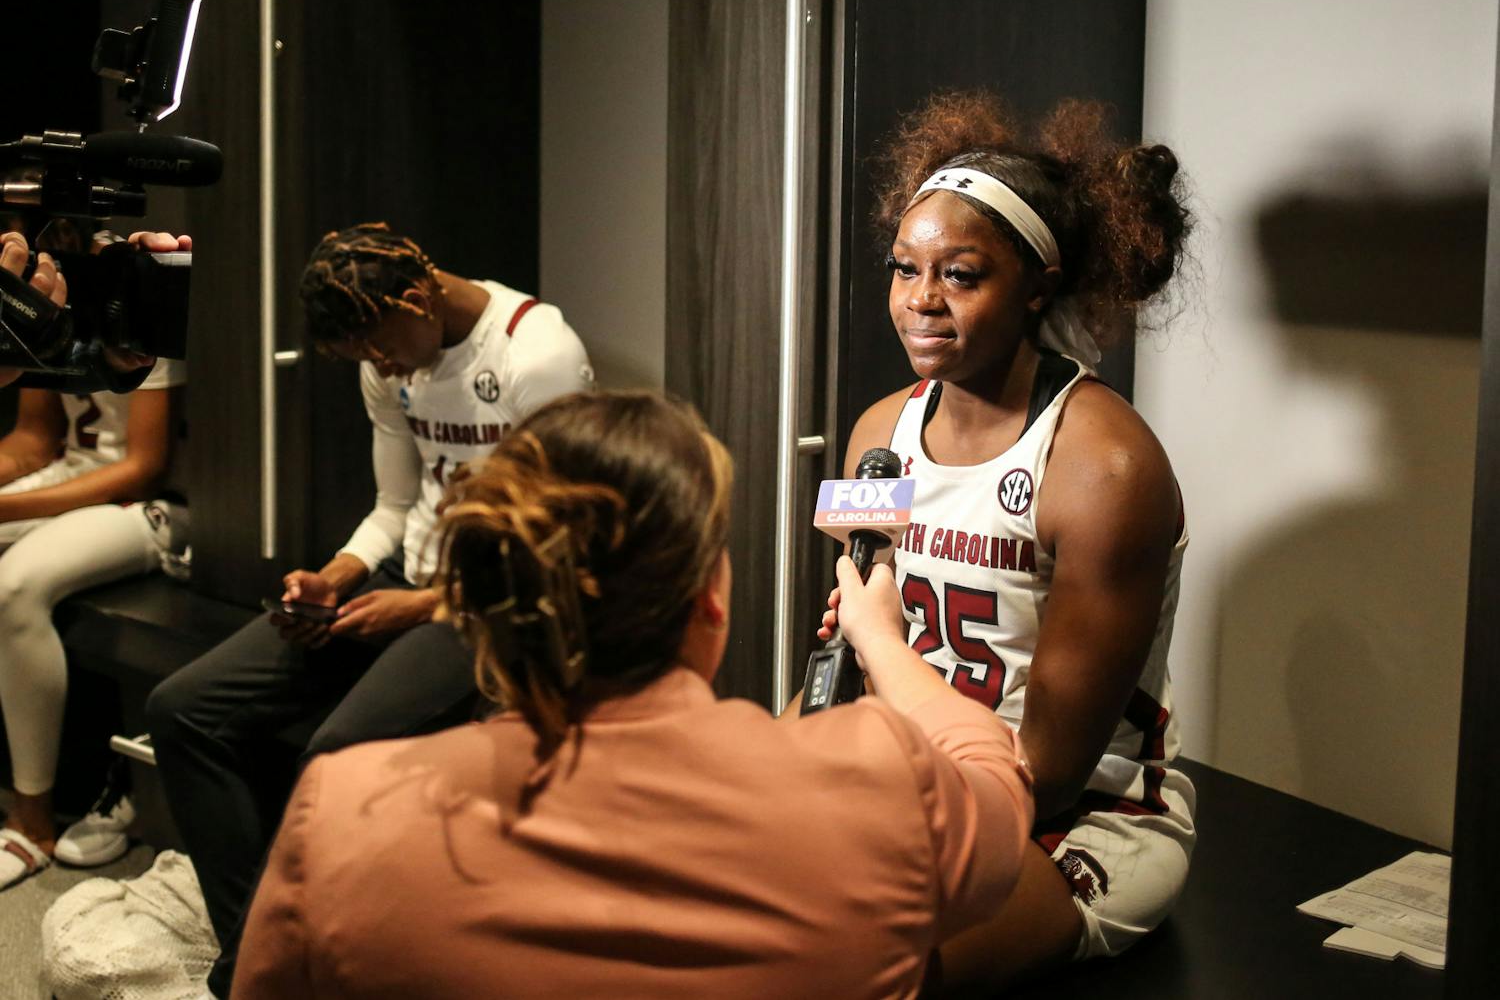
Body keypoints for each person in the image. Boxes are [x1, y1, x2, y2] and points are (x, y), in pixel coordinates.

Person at [233, 390, 1035, 998]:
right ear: (709, 603)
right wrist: (885, 643)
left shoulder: (341, 808)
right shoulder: (880, 782)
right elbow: (995, 784)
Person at [145, 221, 594, 997]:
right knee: (184, 708)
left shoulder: (537, 354)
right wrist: (336, 574)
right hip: (404, 572)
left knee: (334, 752)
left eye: (383, 347)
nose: (381, 369)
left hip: (495, 601)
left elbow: (557, 547)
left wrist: (420, 608)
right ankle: (263, 944)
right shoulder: (388, 364)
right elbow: (394, 505)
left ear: (418, 297)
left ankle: (257, 976)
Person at [837, 90, 1197, 988]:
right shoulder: (877, 433)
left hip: (1073, 817)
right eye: (903, 269)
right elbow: (847, 644)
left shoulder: (1104, 466)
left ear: (1037, 286)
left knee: (857, 964)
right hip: (906, 777)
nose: (921, 300)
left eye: (959, 274)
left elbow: (1052, 769)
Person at [0, 226, 189, 891]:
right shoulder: (37, 305)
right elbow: (33, 440)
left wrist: (7, 510)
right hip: (69, 479)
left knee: (13, 584)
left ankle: (32, 818)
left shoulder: (142, 301)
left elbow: (140, 468)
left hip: (144, 506)